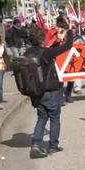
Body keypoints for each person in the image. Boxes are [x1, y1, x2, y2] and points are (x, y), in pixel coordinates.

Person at [26, 21, 75, 158]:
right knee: (54, 118)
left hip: (36, 91)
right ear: (42, 39)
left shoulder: (28, 52)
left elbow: (48, 53)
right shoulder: (46, 53)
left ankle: (36, 144)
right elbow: (68, 45)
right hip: (51, 90)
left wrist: (56, 41)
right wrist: (69, 31)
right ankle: (53, 146)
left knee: (41, 117)